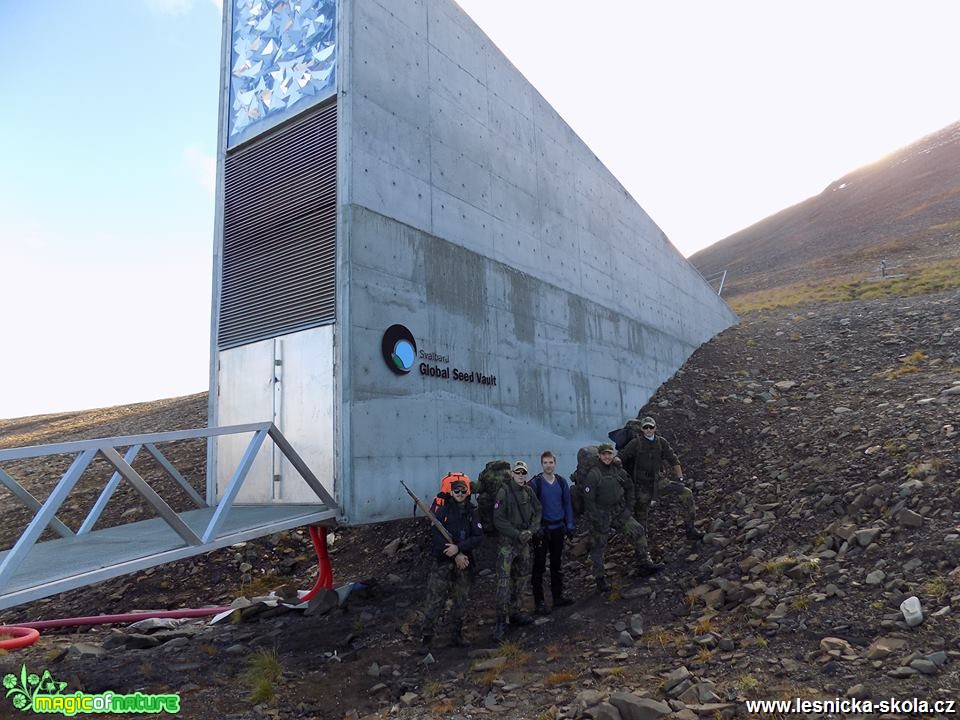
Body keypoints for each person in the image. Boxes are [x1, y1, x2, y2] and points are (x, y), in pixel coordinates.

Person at [583, 444, 663, 592]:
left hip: (619, 512)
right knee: (599, 546)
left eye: (609, 454)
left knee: (638, 530)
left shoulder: (618, 470)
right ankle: (600, 579)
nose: (607, 457)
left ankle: (644, 563)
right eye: (604, 454)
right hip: (602, 514)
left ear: (612, 455)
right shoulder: (593, 475)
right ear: (599, 456)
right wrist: (597, 518)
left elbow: (629, 487)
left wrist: (628, 508)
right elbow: (589, 501)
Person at [419, 477, 484, 647]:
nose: (460, 494)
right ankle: (426, 638)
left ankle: (457, 634)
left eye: (463, 491)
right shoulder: (443, 510)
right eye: (457, 491)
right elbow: (436, 537)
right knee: (434, 599)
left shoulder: (472, 511)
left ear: (467, 492)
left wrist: (460, 548)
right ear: (452, 492)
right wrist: (455, 554)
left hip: (464, 562)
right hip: (442, 562)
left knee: (461, 599)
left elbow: (478, 537)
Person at [619, 416, 703, 545]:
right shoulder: (636, 443)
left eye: (651, 427)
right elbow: (621, 458)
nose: (648, 430)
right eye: (646, 427)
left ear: (655, 428)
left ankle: (691, 530)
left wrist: (680, 478)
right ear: (642, 429)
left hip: (660, 482)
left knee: (686, 493)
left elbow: (673, 460)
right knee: (641, 517)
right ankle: (643, 552)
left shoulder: (661, 442)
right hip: (642, 485)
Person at [492, 460, 541, 641]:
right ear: (512, 474)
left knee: (521, 579)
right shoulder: (504, 492)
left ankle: (515, 612)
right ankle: (500, 621)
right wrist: (517, 534)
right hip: (507, 544)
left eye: (524, 473)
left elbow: (538, 510)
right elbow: (498, 519)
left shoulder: (528, 492)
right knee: (503, 583)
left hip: (524, 543)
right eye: (518, 473)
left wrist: (532, 530)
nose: (521, 476)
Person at [529, 451, 575, 614]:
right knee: (539, 566)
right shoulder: (536, 484)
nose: (548, 465)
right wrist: (536, 528)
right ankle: (539, 602)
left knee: (556, 564)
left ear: (555, 464)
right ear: (542, 464)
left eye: (551, 462)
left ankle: (558, 597)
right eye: (545, 463)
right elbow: (531, 509)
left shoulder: (562, 482)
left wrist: (569, 525)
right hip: (543, 531)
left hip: (558, 529)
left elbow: (567, 504)